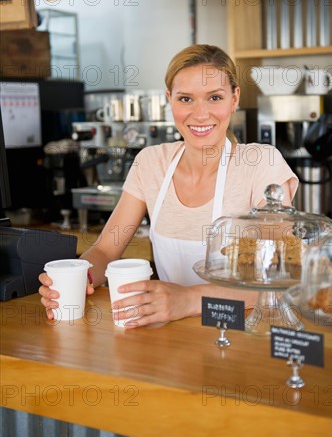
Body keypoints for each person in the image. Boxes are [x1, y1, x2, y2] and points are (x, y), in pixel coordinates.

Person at [39, 44, 298, 326]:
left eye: (214, 97)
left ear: (234, 99)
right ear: (169, 99)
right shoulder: (151, 163)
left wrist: (187, 300)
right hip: (170, 338)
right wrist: (81, 277)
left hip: (245, 334)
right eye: (186, 99)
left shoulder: (261, 164)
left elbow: (279, 275)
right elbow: (105, 251)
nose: (200, 114)